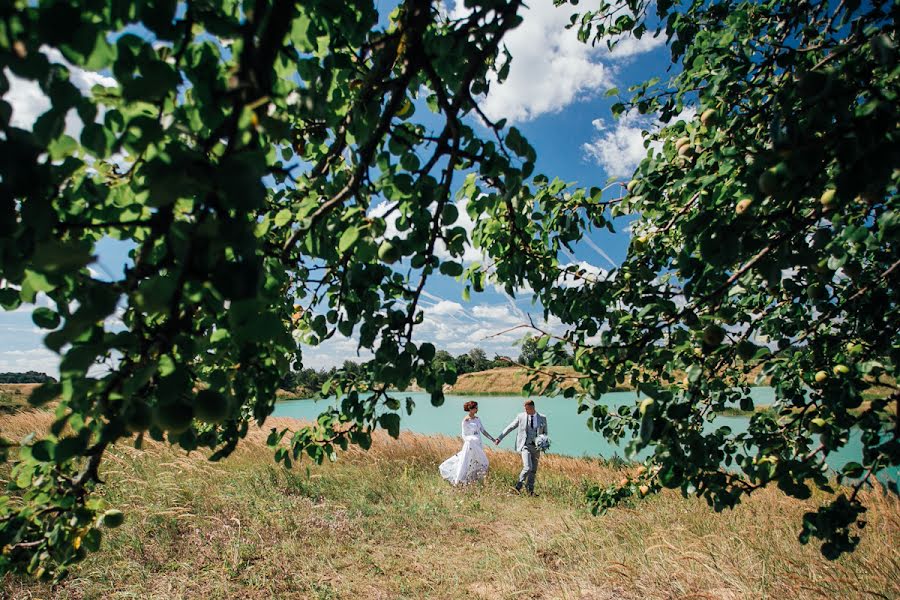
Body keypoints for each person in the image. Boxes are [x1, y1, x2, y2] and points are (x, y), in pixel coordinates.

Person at [495, 399, 548, 496]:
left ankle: (530, 491)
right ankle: (517, 488)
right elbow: (511, 427)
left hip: (536, 449)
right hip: (525, 446)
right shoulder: (521, 416)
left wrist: (544, 444)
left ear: (532, 408)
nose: (525, 411)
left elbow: (545, 433)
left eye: (527, 409)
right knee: (528, 467)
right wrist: (500, 438)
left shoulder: (542, 418)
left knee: (533, 470)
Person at [439, 400, 498, 486]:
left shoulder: (478, 419)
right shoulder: (465, 421)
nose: (477, 409)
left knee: (480, 462)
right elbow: (463, 435)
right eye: (476, 408)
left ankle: (475, 481)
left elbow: (483, 431)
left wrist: (493, 439)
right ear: (471, 409)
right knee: (469, 462)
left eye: (477, 408)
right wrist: (470, 440)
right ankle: (460, 481)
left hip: (478, 444)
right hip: (470, 445)